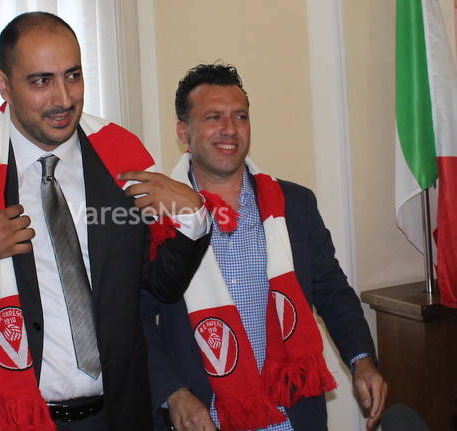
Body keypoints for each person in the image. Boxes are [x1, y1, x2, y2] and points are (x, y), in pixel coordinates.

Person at [0, 12, 210, 431]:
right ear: (3, 84)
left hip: (115, 416)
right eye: (41, 81)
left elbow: (158, 285)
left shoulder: (117, 159)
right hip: (1, 418)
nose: (64, 98)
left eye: (73, 76)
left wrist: (194, 219)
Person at [141, 64, 387, 431]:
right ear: (183, 131)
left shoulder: (294, 204)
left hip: (291, 414)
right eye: (213, 117)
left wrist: (362, 359)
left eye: (239, 116)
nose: (229, 128)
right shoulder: (154, 216)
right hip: (204, 416)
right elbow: (135, 322)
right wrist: (174, 393)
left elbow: (332, 290)